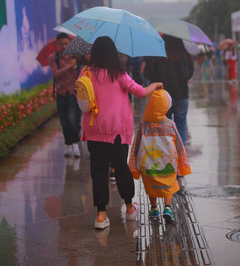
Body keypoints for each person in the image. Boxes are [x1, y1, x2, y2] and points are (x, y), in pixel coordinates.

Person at [79, 36, 163, 229]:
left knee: (98, 171)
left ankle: (101, 216)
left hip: (94, 129)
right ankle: (129, 208)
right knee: (121, 166)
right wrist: (155, 85)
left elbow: (82, 98)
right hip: (117, 129)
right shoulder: (118, 73)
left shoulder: (86, 73)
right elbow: (140, 92)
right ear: (112, 53)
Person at [129, 89, 191, 223]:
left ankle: (154, 209)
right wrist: (182, 163)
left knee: (152, 187)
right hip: (167, 164)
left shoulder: (143, 126)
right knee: (169, 185)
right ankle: (167, 208)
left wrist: (133, 165)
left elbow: (136, 145)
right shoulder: (170, 124)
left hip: (148, 166)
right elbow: (179, 144)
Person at [149, 35, 194, 147]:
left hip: (164, 100)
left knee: (165, 130)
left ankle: (169, 157)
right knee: (181, 129)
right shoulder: (186, 56)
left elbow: (153, 78)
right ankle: (180, 158)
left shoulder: (160, 57)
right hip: (182, 97)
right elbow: (190, 74)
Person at [49, 32, 81, 157]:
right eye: (61, 44)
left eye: (66, 43)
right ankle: (68, 143)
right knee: (64, 121)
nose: (64, 46)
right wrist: (69, 66)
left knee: (73, 119)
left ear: (70, 43)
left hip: (74, 93)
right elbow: (56, 74)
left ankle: (75, 144)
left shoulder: (76, 56)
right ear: (57, 44)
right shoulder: (54, 57)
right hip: (61, 92)